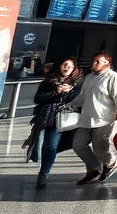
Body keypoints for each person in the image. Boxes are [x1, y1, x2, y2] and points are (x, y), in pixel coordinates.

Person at [70, 52, 117, 185]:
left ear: (107, 62)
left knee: (100, 148)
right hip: (87, 118)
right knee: (78, 145)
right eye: (94, 61)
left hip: (105, 119)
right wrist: (70, 105)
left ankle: (111, 163)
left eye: (98, 61)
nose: (94, 63)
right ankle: (95, 168)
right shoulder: (89, 77)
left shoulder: (114, 77)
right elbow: (83, 96)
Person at [30, 57, 83, 189]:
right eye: (64, 64)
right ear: (60, 66)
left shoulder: (78, 84)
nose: (66, 67)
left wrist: (69, 92)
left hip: (67, 118)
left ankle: (44, 172)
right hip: (49, 117)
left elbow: (79, 101)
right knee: (48, 145)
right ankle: (43, 173)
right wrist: (56, 92)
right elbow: (38, 98)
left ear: (74, 69)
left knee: (54, 145)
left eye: (70, 66)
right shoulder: (49, 82)